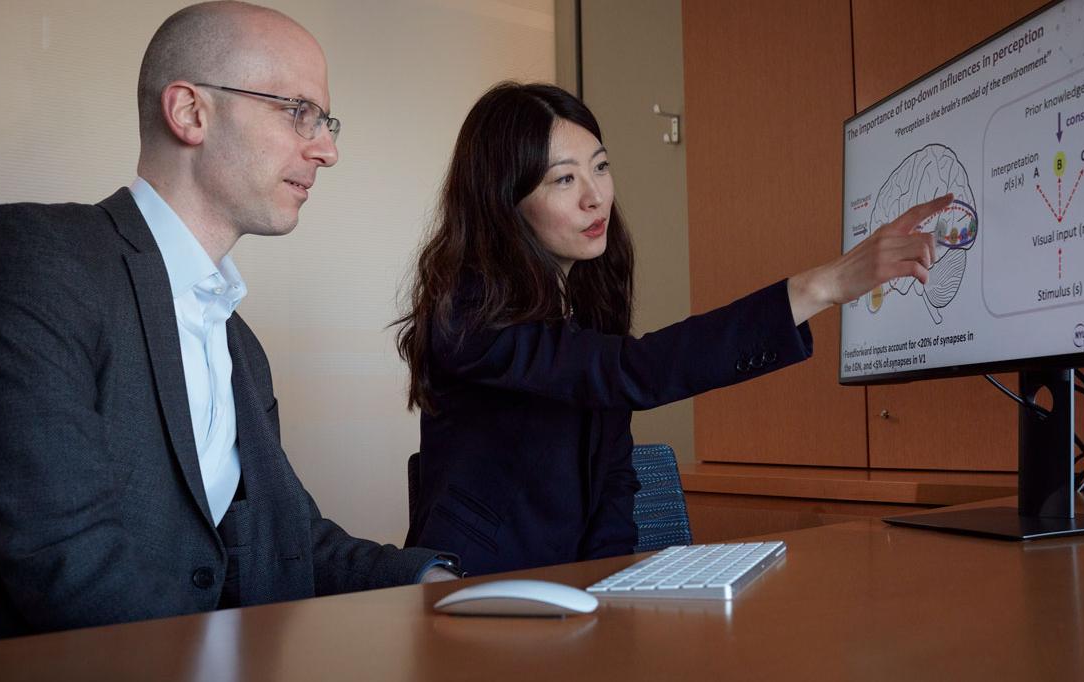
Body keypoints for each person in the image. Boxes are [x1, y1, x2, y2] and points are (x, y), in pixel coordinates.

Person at [0, 1, 457, 656]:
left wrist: (435, 581)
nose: (327, 149)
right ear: (191, 112)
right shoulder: (30, 259)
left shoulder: (238, 346)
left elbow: (288, 539)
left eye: (326, 120)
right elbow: (70, 568)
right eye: (299, 112)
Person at [396, 82, 950, 574]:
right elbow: (631, 372)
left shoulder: (583, 301)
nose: (597, 196)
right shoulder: (466, 313)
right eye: (564, 179)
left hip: (566, 596)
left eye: (601, 166)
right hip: (471, 590)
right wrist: (820, 286)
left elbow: (612, 474)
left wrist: (611, 587)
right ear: (504, 203)